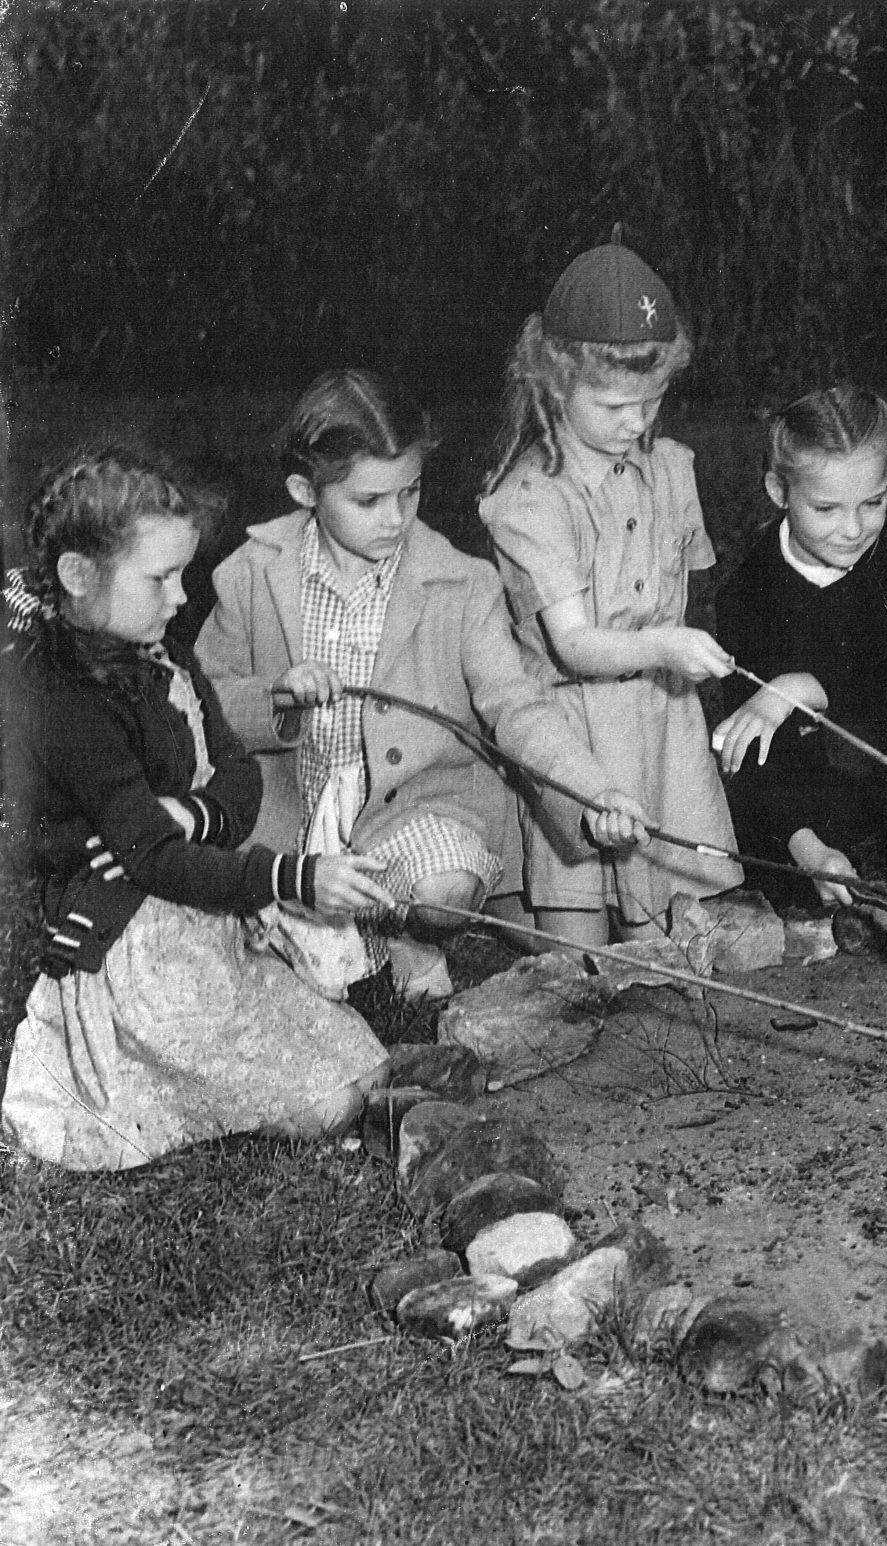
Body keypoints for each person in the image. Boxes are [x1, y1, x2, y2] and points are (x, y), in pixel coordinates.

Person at [195, 369, 651, 1000]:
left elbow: (517, 706)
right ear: (304, 491)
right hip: (290, 806)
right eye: (368, 501)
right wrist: (275, 697)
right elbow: (203, 701)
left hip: (413, 806)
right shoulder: (248, 575)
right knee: (245, 952)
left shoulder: (462, 584)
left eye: (409, 492)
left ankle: (407, 932)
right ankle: (335, 934)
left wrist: (591, 792)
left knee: (443, 893)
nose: (396, 519)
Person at [0, 446, 391, 1170]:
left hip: (204, 924)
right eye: (160, 578)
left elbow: (240, 781)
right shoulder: (67, 703)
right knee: (328, 1106)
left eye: (182, 575)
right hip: (135, 959)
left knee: (364, 1068)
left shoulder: (167, 656)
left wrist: (188, 816)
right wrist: (292, 878)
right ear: (79, 577)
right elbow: (156, 861)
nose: (181, 597)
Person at [479, 233, 741, 948]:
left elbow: (684, 590)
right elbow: (573, 644)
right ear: (555, 383)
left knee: (667, 927)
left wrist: (679, 649)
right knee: (578, 946)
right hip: (579, 731)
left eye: (653, 401)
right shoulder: (533, 499)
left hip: (660, 723)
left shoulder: (671, 468)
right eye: (615, 404)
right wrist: (666, 645)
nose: (638, 422)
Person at [712, 385, 887, 909]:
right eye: (825, 509)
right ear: (779, 490)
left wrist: (799, 687)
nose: (853, 529)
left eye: (874, 503)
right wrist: (809, 850)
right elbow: (753, 753)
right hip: (809, 821)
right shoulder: (746, 596)